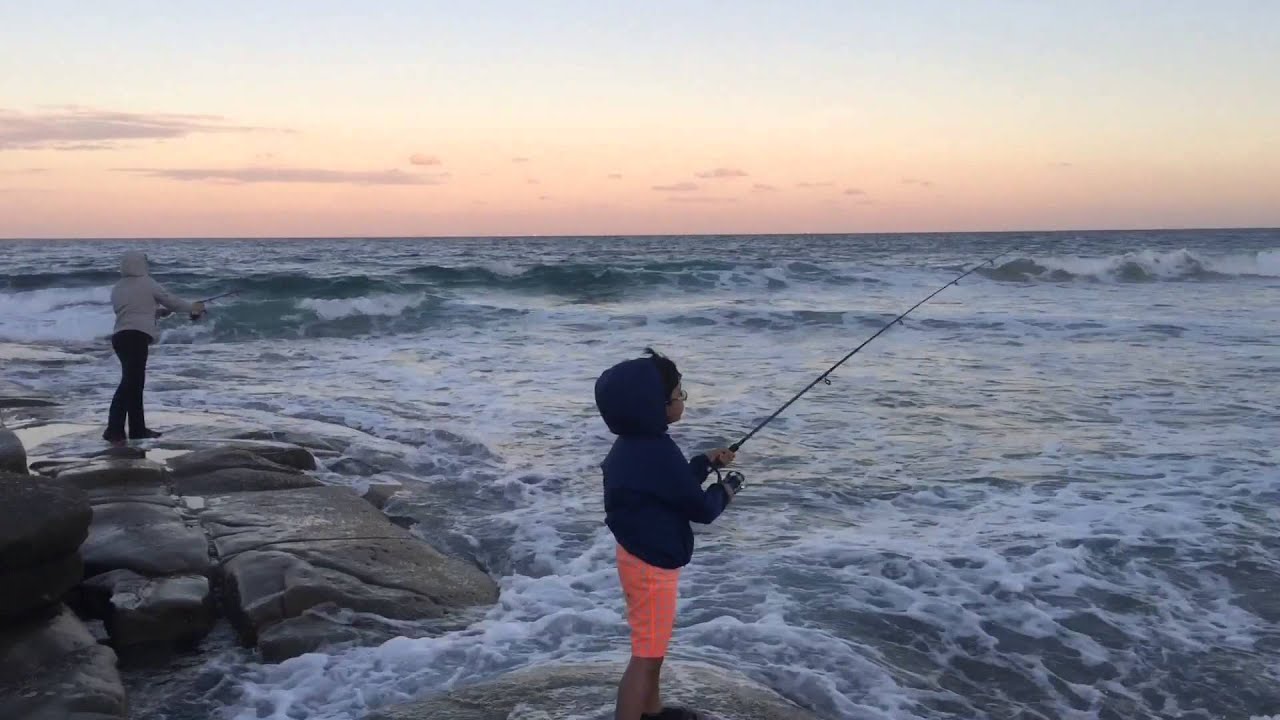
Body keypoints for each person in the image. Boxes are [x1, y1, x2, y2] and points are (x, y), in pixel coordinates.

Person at [594, 348, 744, 720]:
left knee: (652, 647)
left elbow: (672, 488)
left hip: (638, 555)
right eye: (679, 395)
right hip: (651, 566)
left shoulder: (634, 446)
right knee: (645, 656)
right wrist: (728, 489)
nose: (683, 401)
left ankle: (653, 710)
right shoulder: (657, 451)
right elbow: (701, 509)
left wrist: (705, 462)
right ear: (654, 406)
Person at [102, 250, 204, 445]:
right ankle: (114, 429)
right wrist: (193, 307)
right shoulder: (147, 282)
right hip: (136, 337)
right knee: (131, 383)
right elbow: (171, 300)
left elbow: (130, 311)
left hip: (120, 337)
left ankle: (136, 429)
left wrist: (155, 312)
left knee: (133, 383)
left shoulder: (118, 287)